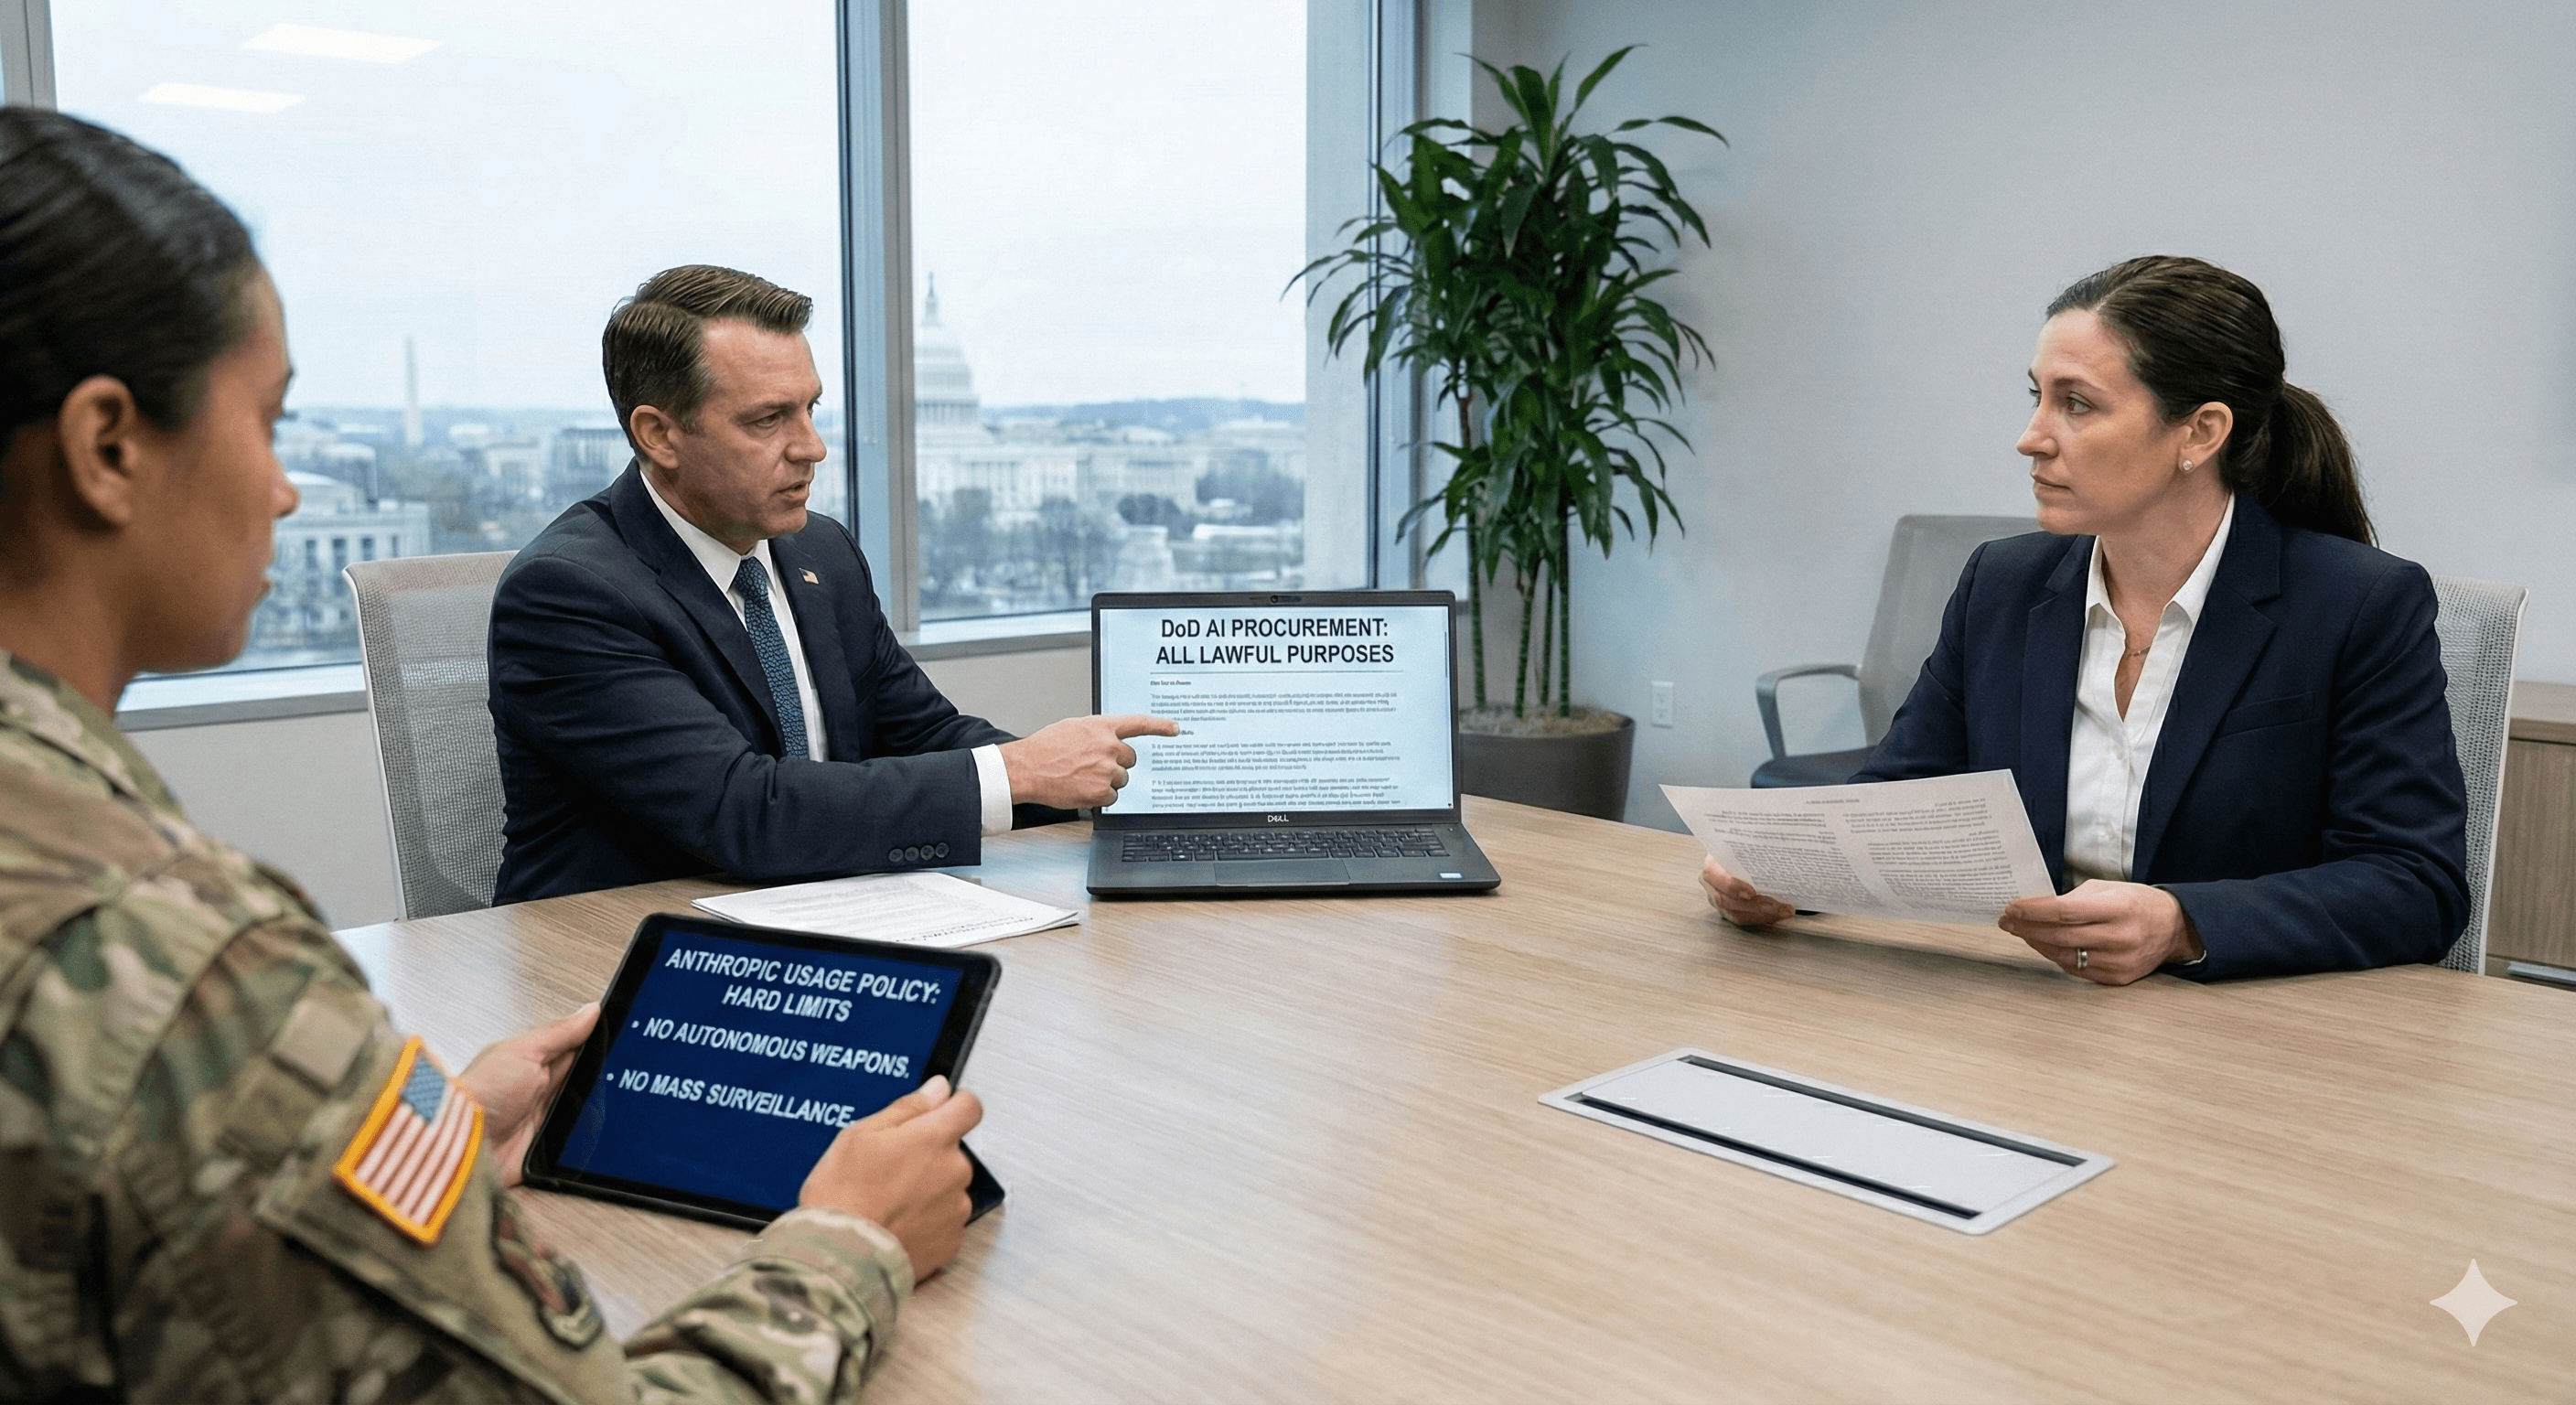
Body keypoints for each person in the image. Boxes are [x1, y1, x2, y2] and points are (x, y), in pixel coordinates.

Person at [0, 107, 984, 1402]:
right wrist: (849, 1244)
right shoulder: (180, 968)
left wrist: (433, 1136)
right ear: (109, 446)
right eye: (274, 421)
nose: (289, 492)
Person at [1701, 254, 2468, 985]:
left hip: (2252, 1042)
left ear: (2200, 432)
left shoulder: (2360, 604)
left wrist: (2183, 923)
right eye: (2035, 395)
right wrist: (1782, 868)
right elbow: (1898, 800)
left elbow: (2415, 884)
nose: (2031, 437)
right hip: (2030, 1014)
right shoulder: (2000, 585)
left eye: (2076, 404)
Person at [487, 265, 1174, 904]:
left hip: (824, 915)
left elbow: (926, 735)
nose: (813, 447)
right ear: (660, 435)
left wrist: (1104, 781)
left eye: (812, 409)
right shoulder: (567, 594)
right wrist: (1020, 771)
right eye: (768, 419)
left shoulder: (820, 551)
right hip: (621, 954)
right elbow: (748, 811)